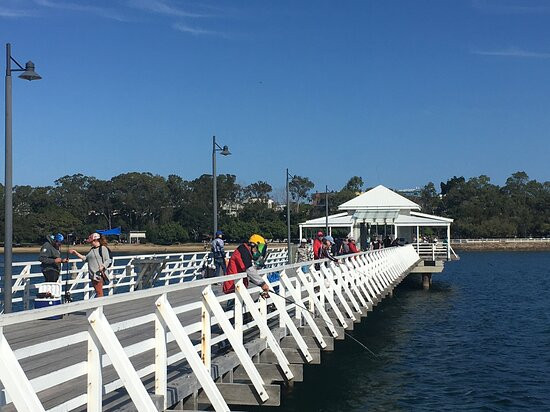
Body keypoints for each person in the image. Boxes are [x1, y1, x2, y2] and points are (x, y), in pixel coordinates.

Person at [69, 233, 112, 297]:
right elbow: (85, 258)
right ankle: (99, 305)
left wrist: (103, 266)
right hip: (92, 275)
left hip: (98, 274)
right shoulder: (92, 250)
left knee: (99, 292)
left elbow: (108, 260)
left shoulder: (103, 248)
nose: (90, 243)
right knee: (98, 291)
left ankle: (99, 305)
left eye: (91, 242)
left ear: (96, 240)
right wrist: (76, 253)